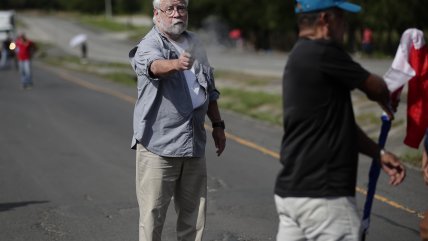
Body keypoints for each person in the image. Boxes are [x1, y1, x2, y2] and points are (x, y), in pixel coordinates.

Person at [274, 1, 406, 240]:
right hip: (325, 199)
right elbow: (377, 88)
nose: (345, 26)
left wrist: (379, 153)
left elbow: (337, 124)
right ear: (325, 19)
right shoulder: (324, 51)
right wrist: (388, 94)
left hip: (291, 195)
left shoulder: (298, 55)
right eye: (342, 19)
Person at [128, 0, 226, 240]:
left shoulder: (194, 42)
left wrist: (218, 125)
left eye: (181, 7)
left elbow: (209, 89)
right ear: (156, 14)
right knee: (152, 218)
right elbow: (153, 66)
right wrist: (176, 64)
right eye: (169, 8)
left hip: (193, 143)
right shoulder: (149, 44)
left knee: (193, 218)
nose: (176, 14)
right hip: (158, 147)